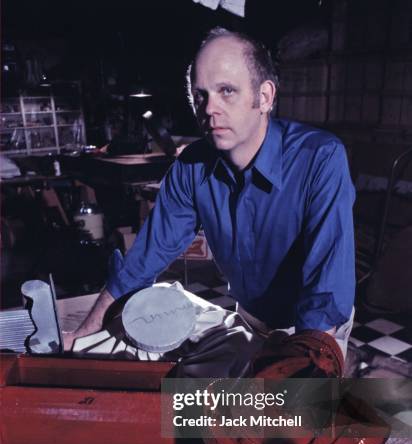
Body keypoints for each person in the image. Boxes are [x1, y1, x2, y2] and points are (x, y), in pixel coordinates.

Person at [64, 27, 355, 376]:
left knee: (282, 423)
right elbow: (145, 258)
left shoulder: (320, 158)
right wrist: (86, 333)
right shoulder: (191, 166)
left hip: (312, 332)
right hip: (249, 318)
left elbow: (325, 291)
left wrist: (300, 373)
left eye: (226, 91)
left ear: (264, 97)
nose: (210, 109)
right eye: (200, 96)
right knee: (184, 401)